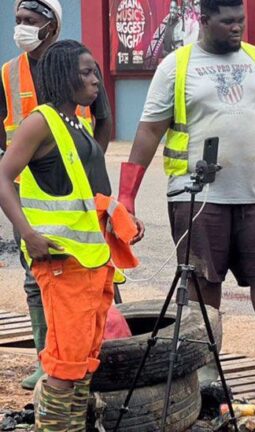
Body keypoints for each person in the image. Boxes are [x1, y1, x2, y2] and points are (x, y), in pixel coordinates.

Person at [117, 0, 255, 395]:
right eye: (227, 22)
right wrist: (127, 196)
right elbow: (149, 131)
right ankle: (205, 369)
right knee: (204, 281)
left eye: (241, 20)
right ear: (203, 21)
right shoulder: (177, 65)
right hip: (197, 196)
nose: (237, 29)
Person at [0, 40, 142, 431]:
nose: (95, 79)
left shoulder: (75, 124)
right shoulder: (40, 122)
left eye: (95, 71)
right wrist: (27, 233)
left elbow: (85, 188)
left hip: (91, 262)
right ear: (63, 76)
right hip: (62, 264)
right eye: (86, 72)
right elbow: (2, 176)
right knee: (66, 361)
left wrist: (119, 217)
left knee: (84, 356)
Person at [1, 0, 114, 390]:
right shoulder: (10, 76)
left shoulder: (74, 77)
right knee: (40, 287)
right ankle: (45, 358)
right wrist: (27, 225)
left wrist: (93, 180)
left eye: (30, 21)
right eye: (18, 20)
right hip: (35, 199)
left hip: (75, 205)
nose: (21, 28)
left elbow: (104, 121)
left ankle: (63, 364)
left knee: (84, 315)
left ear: (51, 26)